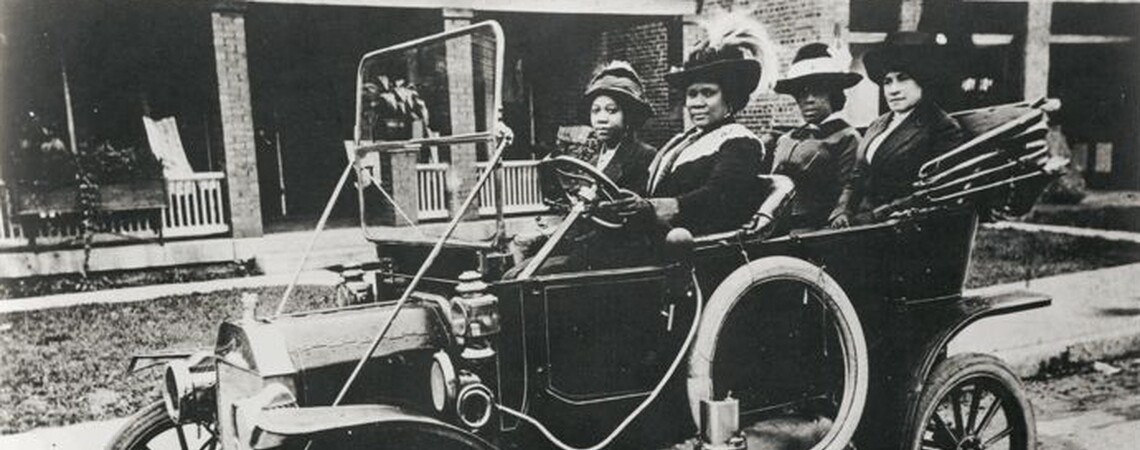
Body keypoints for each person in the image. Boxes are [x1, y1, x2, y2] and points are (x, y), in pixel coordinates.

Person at [617, 15, 778, 236]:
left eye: (708, 93)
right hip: (659, 235)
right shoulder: (683, 141)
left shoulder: (740, 142)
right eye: (692, 94)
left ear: (730, 97)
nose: (697, 103)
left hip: (695, 244)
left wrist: (653, 207)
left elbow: (719, 194)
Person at [830, 31, 966, 227]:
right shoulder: (879, 123)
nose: (893, 90)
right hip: (858, 222)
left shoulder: (940, 126)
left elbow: (933, 190)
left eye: (902, 79)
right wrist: (842, 211)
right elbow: (856, 177)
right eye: (887, 81)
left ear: (923, 80)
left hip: (902, 227)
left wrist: (873, 217)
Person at [770, 43, 862, 230]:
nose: (809, 99)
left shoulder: (846, 137)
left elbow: (850, 186)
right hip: (776, 224)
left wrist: (840, 214)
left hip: (817, 228)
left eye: (818, 90)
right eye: (802, 92)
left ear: (833, 94)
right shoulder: (787, 138)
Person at [552, 61, 656, 194]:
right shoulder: (591, 156)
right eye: (595, 111)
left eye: (611, 110)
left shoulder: (644, 156)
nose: (601, 119)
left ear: (628, 116)